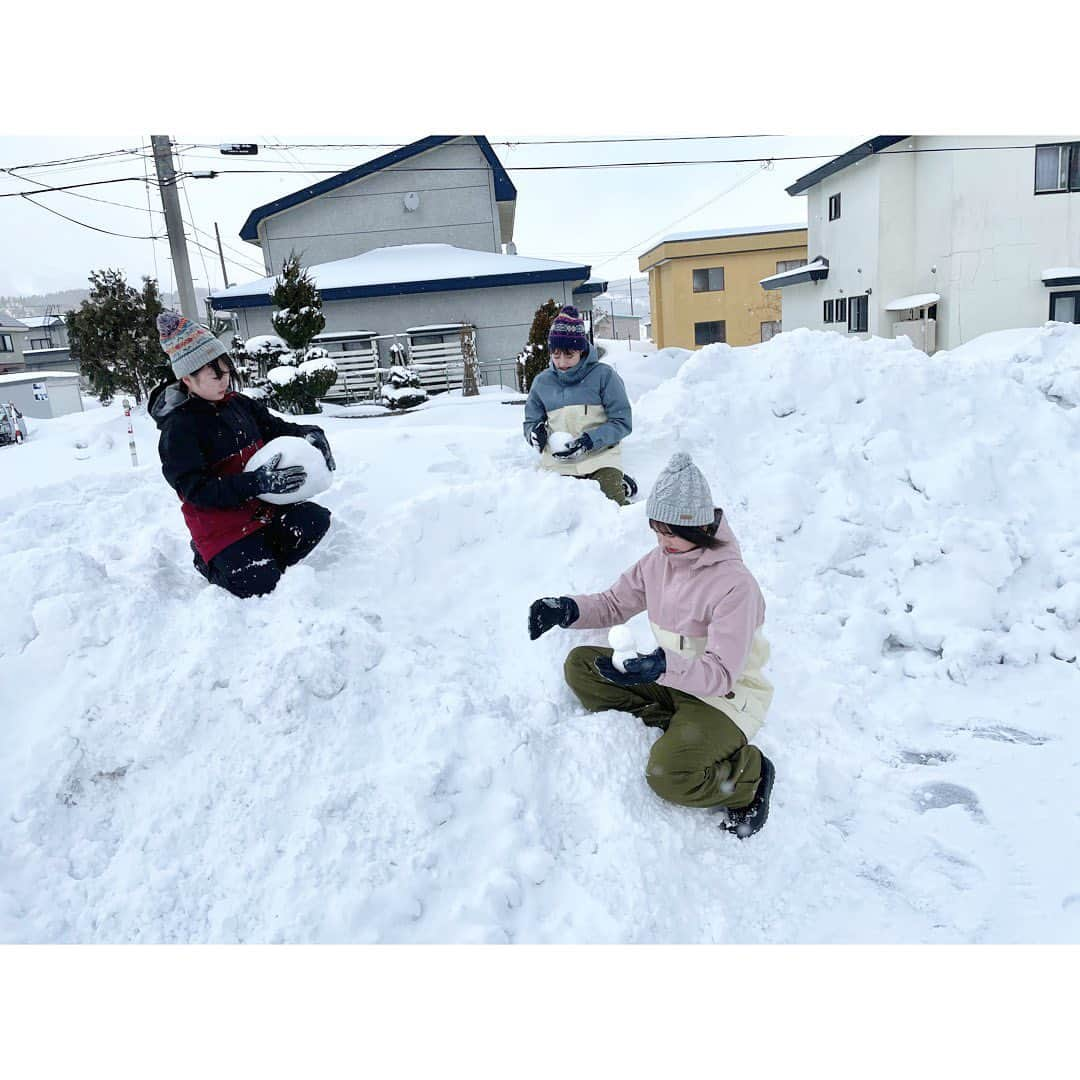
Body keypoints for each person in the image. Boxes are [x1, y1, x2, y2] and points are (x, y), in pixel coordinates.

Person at [528, 453, 776, 837]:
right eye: (656, 531)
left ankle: (750, 776)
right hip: (675, 680)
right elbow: (614, 603)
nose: (662, 542)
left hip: (725, 699)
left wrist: (661, 667)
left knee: (670, 776)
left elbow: (723, 674)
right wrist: (567, 609)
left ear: (696, 528)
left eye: (670, 533)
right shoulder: (658, 562)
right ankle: (680, 728)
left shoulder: (735, 586)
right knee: (581, 666)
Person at [150, 311, 336, 599]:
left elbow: (277, 428)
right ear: (188, 378)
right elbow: (196, 490)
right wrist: (256, 483)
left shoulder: (238, 404)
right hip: (221, 527)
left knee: (315, 520)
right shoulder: (179, 429)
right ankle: (209, 561)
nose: (225, 380)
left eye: (227, 371)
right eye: (216, 375)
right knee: (260, 585)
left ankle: (261, 557)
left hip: (264, 513)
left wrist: (309, 433)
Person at [523, 305, 636, 505]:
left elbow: (622, 422)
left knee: (611, 508)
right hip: (559, 465)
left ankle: (616, 482)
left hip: (600, 458)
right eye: (556, 355)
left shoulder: (604, 376)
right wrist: (535, 433)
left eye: (569, 355)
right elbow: (531, 421)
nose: (562, 362)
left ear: (582, 351)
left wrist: (589, 442)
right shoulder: (542, 383)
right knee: (557, 510)